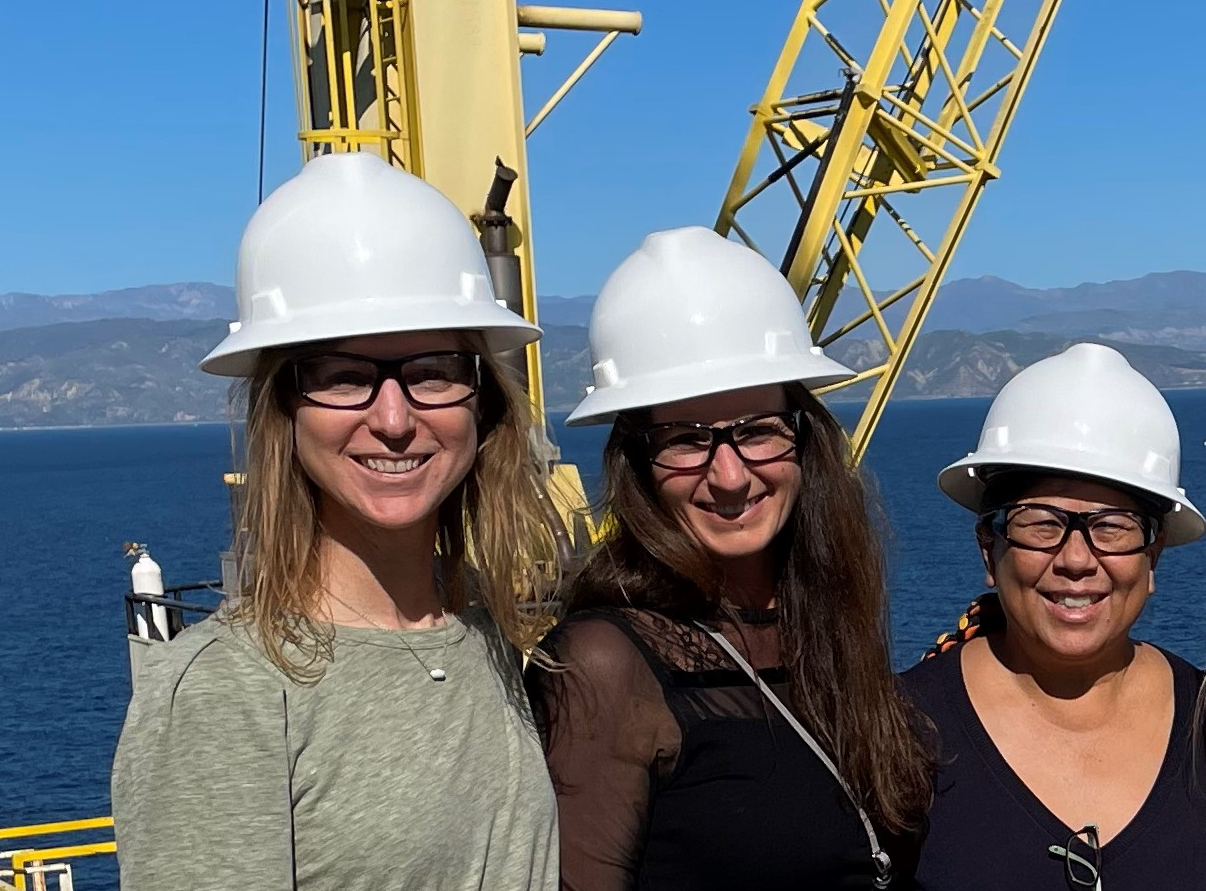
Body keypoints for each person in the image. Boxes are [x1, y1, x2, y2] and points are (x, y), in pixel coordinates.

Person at [111, 152, 560, 891]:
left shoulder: (483, 637)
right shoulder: (225, 694)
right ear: (284, 410)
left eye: (433, 368)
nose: (393, 419)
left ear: (482, 400)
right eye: (343, 376)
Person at [526, 227, 934, 890]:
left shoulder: (822, 626)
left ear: (803, 442)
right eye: (687, 439)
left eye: (755, 431)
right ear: (638, 460)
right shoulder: (606, 665)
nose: (730, 475)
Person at [900, 342, 1206, 890]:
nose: (1075, 560)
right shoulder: (891, 733)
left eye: (1112, 526)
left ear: (1153, 557)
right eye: (1041, 523)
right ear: (988, 551)